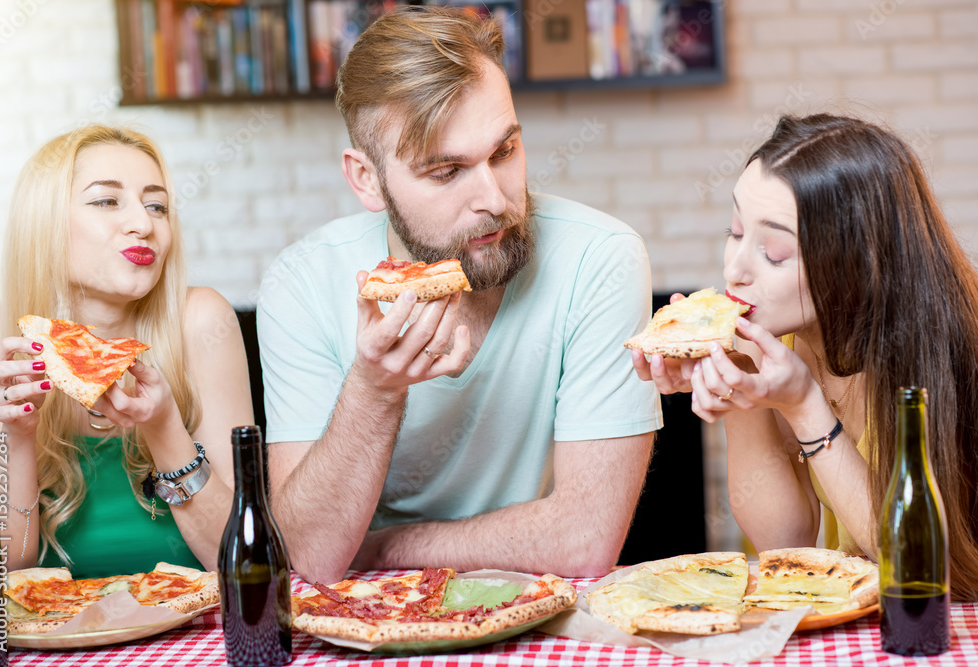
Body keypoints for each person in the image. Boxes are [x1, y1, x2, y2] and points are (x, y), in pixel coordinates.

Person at [258, 6, 661, 583]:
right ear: (365, 179)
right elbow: (309, 557)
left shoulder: (601, 258)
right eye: (447, 172)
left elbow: (586, 540)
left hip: (532, 610)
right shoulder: (299, 283)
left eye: (504, 152)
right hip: (358, 621)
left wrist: (388, 548)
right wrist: (375, 389)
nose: (494, 199)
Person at [634, 113, 978, 601]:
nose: (734, 268)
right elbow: (784, 544)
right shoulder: (777, 340)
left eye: (773, 252)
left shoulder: (947, 348)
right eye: (735, 231)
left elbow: (917, 564)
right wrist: (741, 387)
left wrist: (804, 407)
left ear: (859, 261)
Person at [0, 125, 253, 577]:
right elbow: (9, 565)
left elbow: (239, 560)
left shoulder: (202, 320)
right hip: (59, 639)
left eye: (157, 206)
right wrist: (20, 435)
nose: (144, 224)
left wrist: (164, 429)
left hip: (190, 635)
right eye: (106, 201)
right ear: (43, 221)